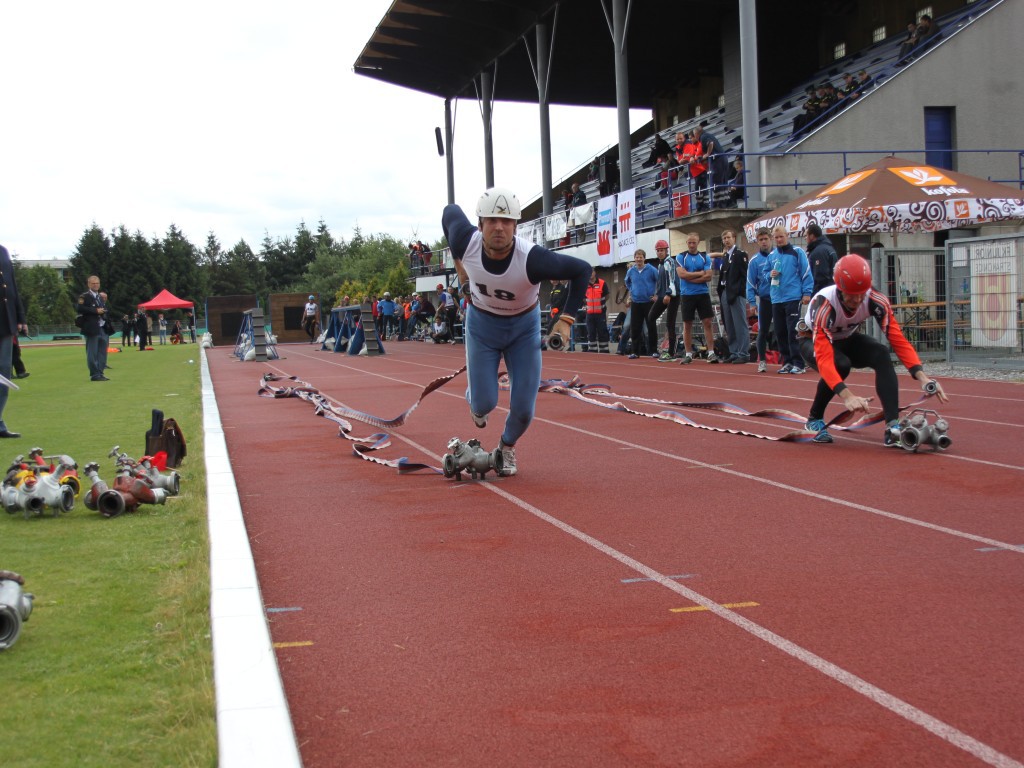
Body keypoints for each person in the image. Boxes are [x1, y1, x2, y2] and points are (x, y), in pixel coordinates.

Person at [442, 186, 590, 476]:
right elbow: (449, 212)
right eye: (492, 221)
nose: (499, 228)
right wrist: (461, 270)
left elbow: (582, 270)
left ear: (516, 225)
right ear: (480, 223)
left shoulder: (532, 259)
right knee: (485, 403)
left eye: (507, 221)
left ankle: (506, 448)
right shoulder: (464, 241)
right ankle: (476, 396)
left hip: (523, 331)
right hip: (482, 327)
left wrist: (567, 319)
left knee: (523, 409)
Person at [799, 254, 948, 445]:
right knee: (840, 364)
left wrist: (922, 377)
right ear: (839, 289)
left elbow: (897, 339)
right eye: (851, 294)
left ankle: (892, 427)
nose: (858, 299)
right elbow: (825, 360)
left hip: (846, 338)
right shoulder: (825, 306)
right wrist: (847, 396)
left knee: (881, 353)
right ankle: (814, 420)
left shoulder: (876, 299)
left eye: (862, 292)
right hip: (810, 340)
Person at [769, 226, 814, 374]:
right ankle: (787, 361)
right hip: (776, 298)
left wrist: (807, 292)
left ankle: (799, 363)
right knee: (780, 331)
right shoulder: (772, 255)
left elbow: (806, 272)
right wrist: (769, 274)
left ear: (786, 236)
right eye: (776, 237)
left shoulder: (797, 252)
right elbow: (764, 275)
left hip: (793, 297)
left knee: (792, 331)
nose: (779, 239)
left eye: (781, 236)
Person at [675, 233, 718, 364]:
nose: (692, 245)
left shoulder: (704, 257)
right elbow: (682, 275)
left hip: (702, 293)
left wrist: (690, 277)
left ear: (698, 242)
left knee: (707, 322)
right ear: (687, 243)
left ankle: (711, 353)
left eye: (694, 243)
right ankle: (688, 354)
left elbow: (709, 276)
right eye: (689, 242)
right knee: (687, 324)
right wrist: (700, 274)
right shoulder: (681, 256)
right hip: (687, 294)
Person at [0, 244, 28, 438]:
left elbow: (12, 287)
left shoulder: (3, 251)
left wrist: (20, 317)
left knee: (4, 375)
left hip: (6, 322)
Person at [746, 228, 776, 373]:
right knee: (762, 330)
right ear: (758, 241)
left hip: (782, 299)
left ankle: (791, 359)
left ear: (771, 239)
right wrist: (752, 302)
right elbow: (750, 283)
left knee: (785, 330)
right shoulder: (754, 261)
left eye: (766, 239)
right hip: (765, 300)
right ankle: (762, 361)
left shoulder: (780, 255)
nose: (764, 242)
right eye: (761, 240)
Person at [719, 230, 750, 363]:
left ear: (734, 238)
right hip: (725, 291)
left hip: (736, 293)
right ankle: (734, 351)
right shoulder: (725, 256)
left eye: (728, 237)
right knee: (729, 323)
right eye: (724, 238)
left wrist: (740, 291)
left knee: (739, 323)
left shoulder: (740, 254)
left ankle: (743, 352)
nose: (726, 240)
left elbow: (744, 276)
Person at [648, 239, 680, 360]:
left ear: (667, 250)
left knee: (670, 323)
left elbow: (672, 279)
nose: (660, 252)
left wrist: (668, 294)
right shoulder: (660, 264)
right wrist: (658, 294)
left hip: (673, 296)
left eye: (662, 250)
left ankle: (671, 352)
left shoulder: (670, 261)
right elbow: (661, 281)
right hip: (662, 295)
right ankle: (654, 349)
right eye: (658, 251)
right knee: (651, 318)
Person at [623, 250, 657, 359]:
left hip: (648, 302)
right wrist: (632, 291)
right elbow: (627, 282)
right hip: (636, 303)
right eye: (636, 257)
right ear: (634, 258)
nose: (638, 259)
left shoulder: (651, 269)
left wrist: (656, 295)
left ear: (644, 258)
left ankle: (653, 351)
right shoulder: (631, 271)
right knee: (635, 328)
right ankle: (635, 352)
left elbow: (660, 281)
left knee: (651, 328)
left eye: (640, 257)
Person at [77, 275, 111, 380]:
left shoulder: (100, 297)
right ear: (89, 284)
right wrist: (95, 311)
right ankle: (94, 374)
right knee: (92, 352)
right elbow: (80, 308)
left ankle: (100, 372)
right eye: (93, 283)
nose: (96, 285)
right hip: (91, 328)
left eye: (97, 283)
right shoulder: (85, 296)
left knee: (102, 352)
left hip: (102, 327)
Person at [806, 223, 839, 294]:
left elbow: (820, 277)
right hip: (831, 290)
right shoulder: (828, 248)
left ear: (812, 236)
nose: (805, 238)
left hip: (822, 293)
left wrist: (816, 294)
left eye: (806, 235)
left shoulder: (819, 252)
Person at [583, 269, 610, 353]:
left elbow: (607, 295)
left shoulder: (602, 283)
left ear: (595, 273)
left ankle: (604, 349)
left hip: (600, 312)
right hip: (589, 313)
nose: (590, 274)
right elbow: (583, 297)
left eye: (591, 272)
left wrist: (601, 303)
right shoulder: (584, 284)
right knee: (591, 331)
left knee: (602, 331)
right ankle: (592, 349)